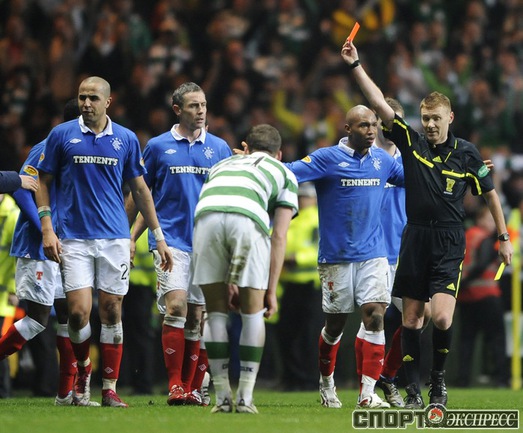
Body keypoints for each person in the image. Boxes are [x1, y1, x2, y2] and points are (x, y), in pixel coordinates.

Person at [342, 40, 513, 408]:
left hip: (449, 241)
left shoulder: (467, 153)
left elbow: (490, 193)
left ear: (450, 118)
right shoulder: (412, 143)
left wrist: (504, 237)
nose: (431, 124)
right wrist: (356, 65)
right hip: (416, 237)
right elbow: (379, 105)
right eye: (426, 118)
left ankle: (438, 382)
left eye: (436, 118)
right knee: (411, 320)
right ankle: (414, 391)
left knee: (442, 318)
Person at [35, 76, 174, 408]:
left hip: (114, 238)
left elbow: (140, 189)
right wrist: (47, 227)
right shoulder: (61, 135)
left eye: (93, 98)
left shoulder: (125, 138)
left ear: (108, 102)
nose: (86, 103)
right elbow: (42, 180)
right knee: (78, 313)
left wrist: (158, 236)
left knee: (112, 310)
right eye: (82, 97)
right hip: (73, 237)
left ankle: (109, 389)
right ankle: (84, 369)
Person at [286, 105, 404, 409]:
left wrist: (461, 171)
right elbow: (288, 172)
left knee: (376, 315)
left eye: (374, 125)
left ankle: (367, 394)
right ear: (348, 129)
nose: (371, 130)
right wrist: (254, 163)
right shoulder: (326, 158)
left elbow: (417, 179)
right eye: (364, 125)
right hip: (336, 257)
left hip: (373, 253)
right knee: (335, 326)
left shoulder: (382, 160)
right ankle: (327, 382)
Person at [126, 81, 232, 406]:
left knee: (197, 317)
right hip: (169, 240)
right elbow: (143, 195)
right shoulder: (158, 147)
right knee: (176, 307)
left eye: (203, 105)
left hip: (208, 244)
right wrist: (128, 237)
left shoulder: (220, 148)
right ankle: (175, 385)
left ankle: (190, 387)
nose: (200, 111)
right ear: (177, 110)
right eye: (193, 106)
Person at [192, 124, 298, 414]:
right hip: (247, 219)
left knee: (215, 313)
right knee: (253, 313)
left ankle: (222, 397)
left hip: (205, 217)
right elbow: (279, 236)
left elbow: (221, 209)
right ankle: (245, 398)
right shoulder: (283, 171)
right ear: (279, 153)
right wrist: (271, 291)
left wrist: (229, 279)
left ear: (246, 148)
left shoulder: (221, 165)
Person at [0, 99, 99, 406]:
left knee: (70, 315)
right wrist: (46, 230)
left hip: (70, 246)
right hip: (38, 247)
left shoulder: (86, 153)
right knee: (38, 319)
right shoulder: (46, 147)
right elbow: (21, 188)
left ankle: (66, 394)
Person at [277, 182, 323, 391]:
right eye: (300, 196)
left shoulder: (317, 218)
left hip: (312, 284)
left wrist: (296, 258)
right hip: (289, 284)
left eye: (306, 196)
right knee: (288, 332)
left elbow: (319, 248)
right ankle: (292, 377)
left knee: (309, 334)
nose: (302, 200)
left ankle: (310, 378)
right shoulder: (292, 219)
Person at [456, 204, 508, 387]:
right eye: (490, 219)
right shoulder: (485, 239)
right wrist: (468, 281)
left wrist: (461, 284)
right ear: (480, 219)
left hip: (465, 297)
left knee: (466, 340)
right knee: (496, 338)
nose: (493, 224)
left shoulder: (465, 236)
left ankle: (462, 380)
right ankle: (502, 379)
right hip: (486, 295)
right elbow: (483, 263)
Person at [0, 192, 19, 398]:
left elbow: (18, 257)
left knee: (2, 342)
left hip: (4, 297)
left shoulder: (12, 215)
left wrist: (14, 289)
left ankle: (3, 392)